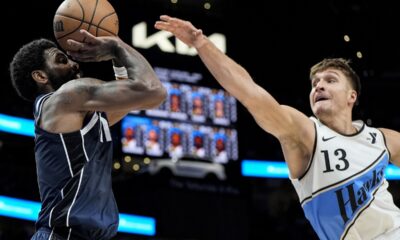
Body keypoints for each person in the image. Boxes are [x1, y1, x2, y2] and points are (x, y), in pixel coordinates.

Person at [155, 15, 400, 239]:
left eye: (330, 80)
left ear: (351, 96)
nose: (319, 87)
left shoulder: (382, 139)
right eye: (315, 83)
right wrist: (200, 42)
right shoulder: (306, 133)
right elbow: (249, 92)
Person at [9, 29, 166, 240]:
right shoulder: (68, 95)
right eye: (62, 59)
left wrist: (117, 60)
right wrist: (117, 46)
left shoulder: (73, 113)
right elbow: (154, 92)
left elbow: (130, 99)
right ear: (40, 76)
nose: (74, 64)